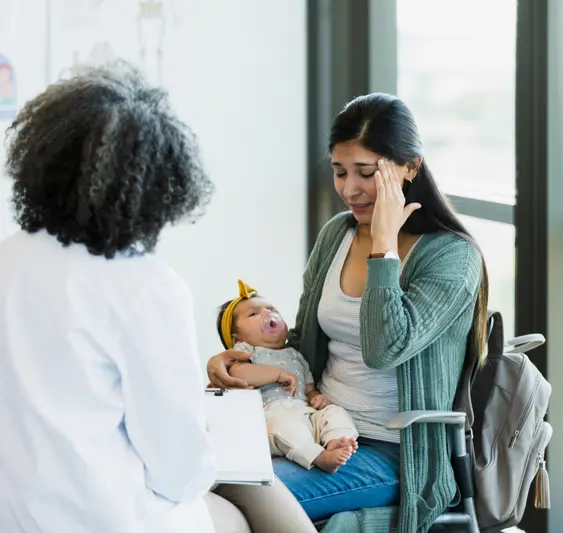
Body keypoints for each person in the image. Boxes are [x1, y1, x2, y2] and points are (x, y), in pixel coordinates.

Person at [0, 62, 316, 533]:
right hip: (105, 517)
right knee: (248, 500)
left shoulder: (10, 256)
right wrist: (200, 440)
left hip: (17, 511)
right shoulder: (145, 285)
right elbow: (182, 474)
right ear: (157, 188)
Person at [208, 93, 489, 533]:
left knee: (235, 492)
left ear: (410, 167)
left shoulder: (452, 258)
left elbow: (384, 348)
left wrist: (383, 247)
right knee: (202, 473)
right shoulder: (336, 235)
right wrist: (237, 359)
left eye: (367, 173)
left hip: (394, 450)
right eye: (340, 172)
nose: (350, 189)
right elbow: (303, 348)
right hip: (311, 424)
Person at [216, 280, 359, 473]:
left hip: (304, 413)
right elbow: (238, 374)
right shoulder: (246, 352)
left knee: (334, 412)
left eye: (270, 308)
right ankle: (318, 457)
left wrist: (316, 396)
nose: (267, 314)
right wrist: (277, 374)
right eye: (254, 313)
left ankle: (336, 441)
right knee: (282, 427)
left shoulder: (294, 354)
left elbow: (308, 387)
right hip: (270, 418)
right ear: (236, 338)